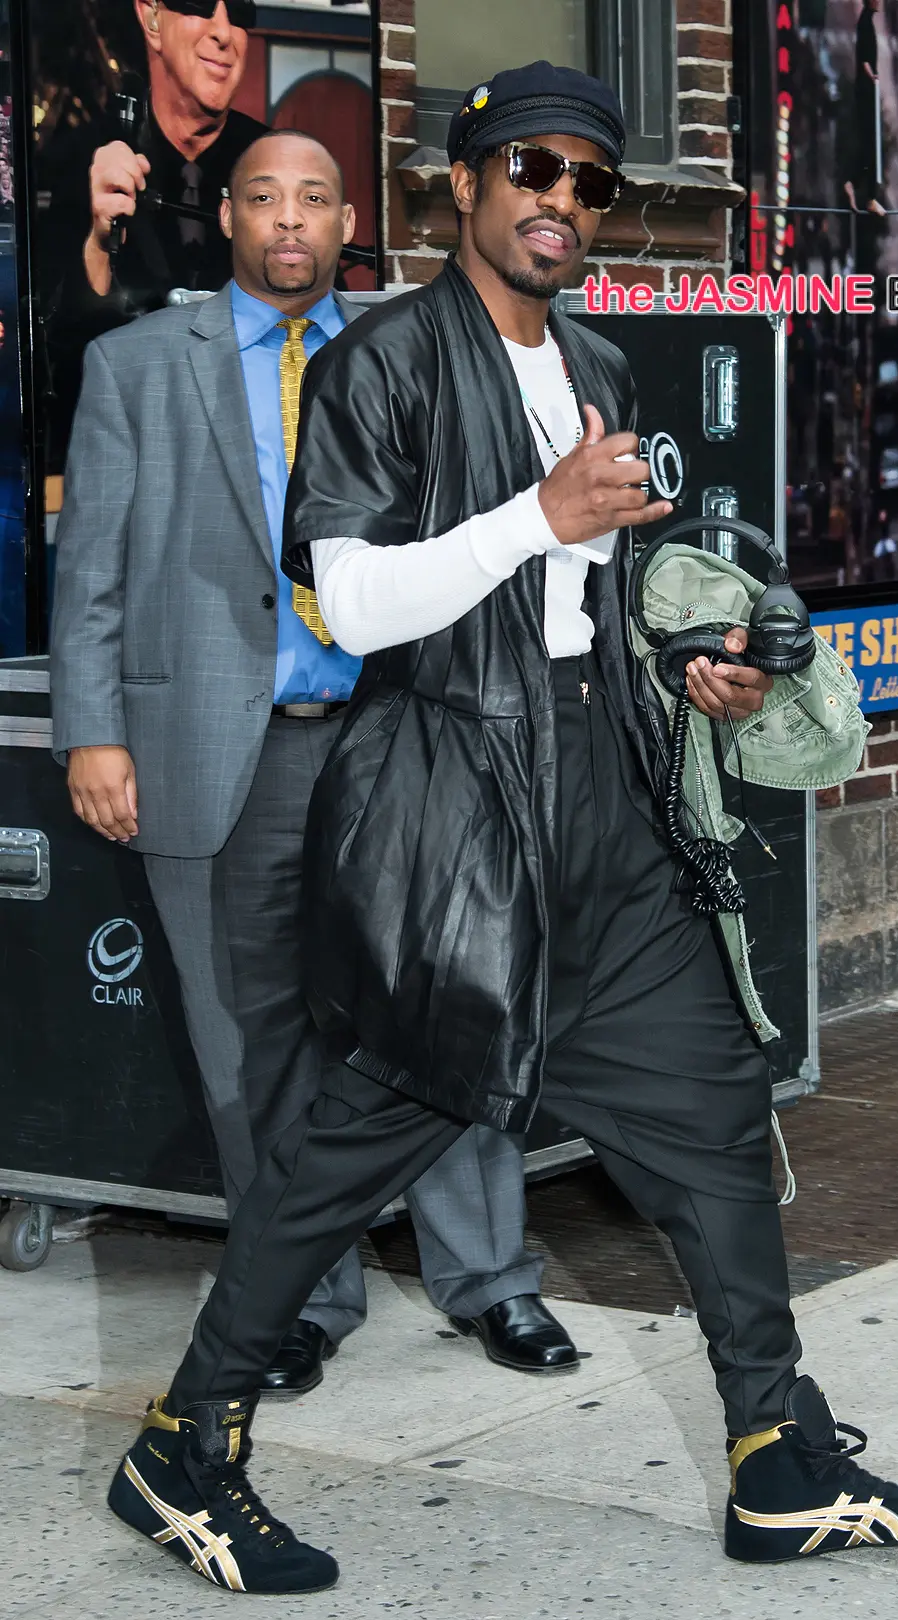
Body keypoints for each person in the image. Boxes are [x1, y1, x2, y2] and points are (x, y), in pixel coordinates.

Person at [105, 65, 898, 1594]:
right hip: (447, 813)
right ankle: (186, 1444)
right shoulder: (380, 361)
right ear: (463, 182)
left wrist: (687, 669)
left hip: (600, 801)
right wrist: (541, 516)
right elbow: (353, 596)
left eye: (591, 182)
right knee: (337, 1156)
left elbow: (587, 608)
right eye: (533, 167)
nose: (562, 201)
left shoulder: (595, 366)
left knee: (714, 1112)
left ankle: (775, 1453)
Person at [50, 128, 577, 1401]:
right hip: (216, 751)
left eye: (315, 200)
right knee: (251, 1048)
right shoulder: (134, 366)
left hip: (404, 735)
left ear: (352, 223)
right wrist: (94, 731)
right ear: (226, 216)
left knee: (451, 1009)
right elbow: (93, 572)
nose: (290, 221)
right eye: (263, 198)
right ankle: (297, 1295)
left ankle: (491, 1280)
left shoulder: (414, 352)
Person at [39, 1, 267, 470]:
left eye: (239, 9)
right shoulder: (75, 161)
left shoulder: (275, 163)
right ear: (151, 18)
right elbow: (54, 359)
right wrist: (100, 243)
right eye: (200, 5)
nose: (225, 33)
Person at [845, 0, 887, 216]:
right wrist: (872, 76)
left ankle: (853, 182)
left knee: (868, 142)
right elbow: (863, 57)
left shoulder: (867, 20)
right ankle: (869, 196)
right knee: (871, 142)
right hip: (866, 87)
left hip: (867, 87)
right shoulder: (864, 22)